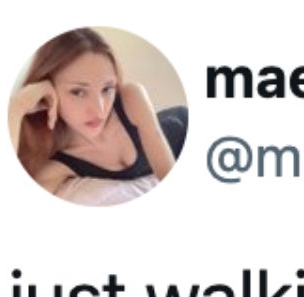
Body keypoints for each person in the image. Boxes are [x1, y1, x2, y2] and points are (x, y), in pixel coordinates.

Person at [11, 29, 181, 204]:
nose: (100, 110)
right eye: (78, 92)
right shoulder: (59, 164)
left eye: (107, 89)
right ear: (49, 93)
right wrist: (18, 106)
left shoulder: (130, 97)